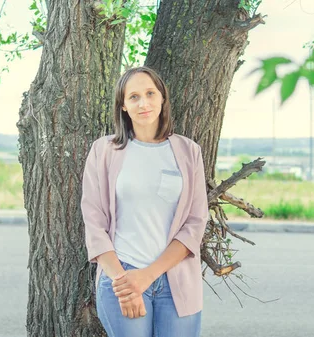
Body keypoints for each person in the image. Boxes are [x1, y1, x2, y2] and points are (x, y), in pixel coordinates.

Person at [80, 66, 209, 337]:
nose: (144, 103)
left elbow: (195, 224)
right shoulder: (104, 151)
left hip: (177, 280)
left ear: (162, 98)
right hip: (122, 276)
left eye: (150, 93)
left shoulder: (188, 152)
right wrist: (124, 282)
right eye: (134, 97)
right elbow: (94, 224)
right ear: (123, 106)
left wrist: (148, 276)